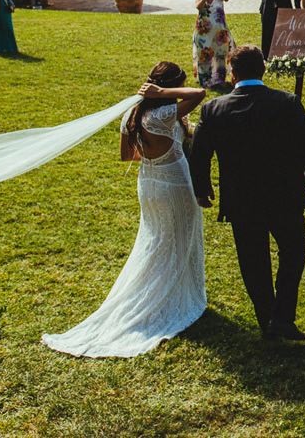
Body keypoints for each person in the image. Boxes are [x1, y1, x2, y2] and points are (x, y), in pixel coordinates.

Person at [43, 62, 206, 357]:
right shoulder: (164, 114)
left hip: (148, 184)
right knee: (179, 237)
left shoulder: (132, 115)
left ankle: (163, 287)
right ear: (167, 87)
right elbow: (199, 93)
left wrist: (153, 152)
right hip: (174, 184)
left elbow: (126, 155)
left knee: (157, 240)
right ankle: (173, 293)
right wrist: (162, 94)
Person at [189, 45, 305, 339]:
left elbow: (200, 154)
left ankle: (267, 318)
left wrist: (202, 188)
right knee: (294, 252)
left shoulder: (214, 109)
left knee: (253, 259)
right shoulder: (287, 102)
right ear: (263, 70)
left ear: (233, 74)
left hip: (242, 199)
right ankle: (282, 317)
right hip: (285, 195)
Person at [193, 0, 232, 89]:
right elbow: (198, 7)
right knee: (204, 54)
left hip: (220, 32)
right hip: (203, 32)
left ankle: (219, 79)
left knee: (220, 54)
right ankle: (205, 80)